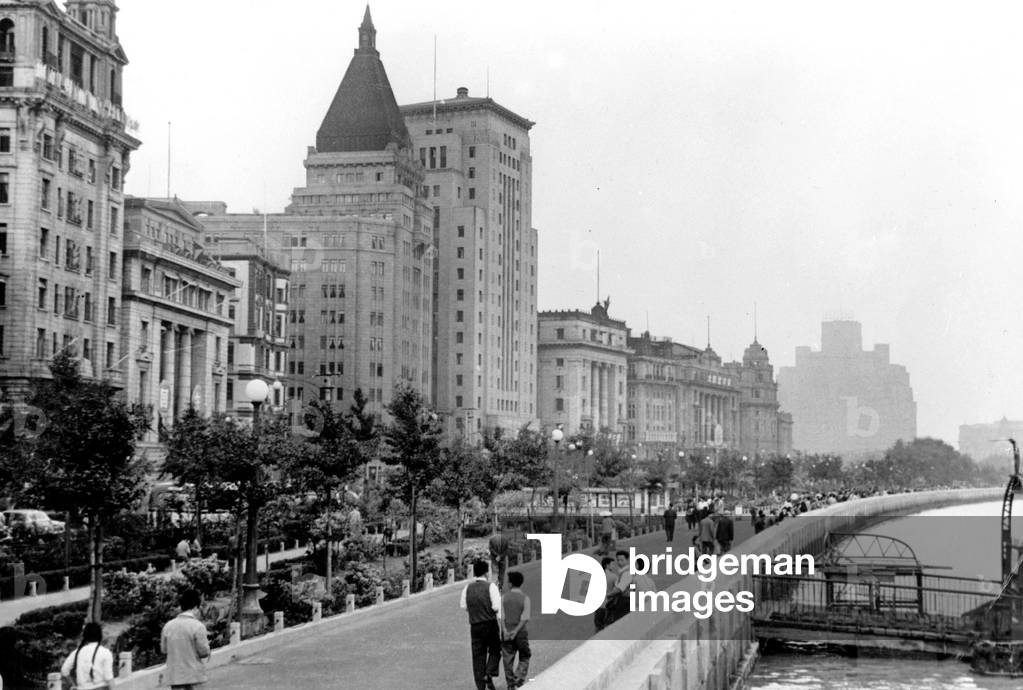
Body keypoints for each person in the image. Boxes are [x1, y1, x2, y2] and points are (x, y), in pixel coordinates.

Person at [460, 560, 503, 690]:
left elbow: (463, 606)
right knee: (496, 650)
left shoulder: (467, 588)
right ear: (486, 573)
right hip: (490, 623)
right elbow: (497, 607)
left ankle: (481, 686)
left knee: (478, 655)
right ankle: (489, 672)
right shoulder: (491, 587)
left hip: (475, 626)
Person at [161, 589, 211, 690]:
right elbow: (204, 652)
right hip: (194, 676)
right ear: (196, 607)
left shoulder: (168, 626)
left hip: (175, 677)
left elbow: (164, 650)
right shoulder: (198, 626)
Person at [501, 571, 531, 689]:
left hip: (506, 631)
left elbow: (501, 616)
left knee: (507, 658)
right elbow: (525, 618)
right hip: (520, 633)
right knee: (525, 655)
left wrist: (504, 629)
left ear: (510, 584)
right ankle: (518, 676)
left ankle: (510, 684)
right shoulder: (525, 598)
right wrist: (516, 630)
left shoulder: (503, 598)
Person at [61, 622, 114, 690]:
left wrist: (73, 685)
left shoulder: (77, 652)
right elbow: (108, 677)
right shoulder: (105, 652)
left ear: (85, 636)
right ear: (100, 636)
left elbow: (64, 670)